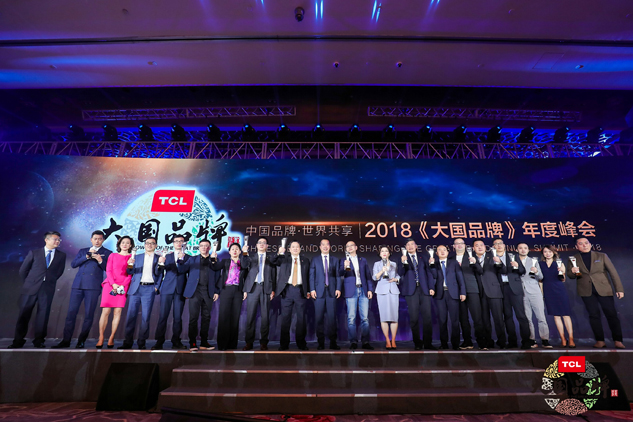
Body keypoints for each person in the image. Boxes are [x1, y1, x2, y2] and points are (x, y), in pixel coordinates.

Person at [53, 230, 112, 349]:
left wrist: (100, 259)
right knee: (71, 313)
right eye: (95, 238)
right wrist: (87, 256)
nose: (97, 241)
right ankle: (66, 340)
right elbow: (74, 264)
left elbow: (108, 268)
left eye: (100, 239)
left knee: (89, 315)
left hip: (93, 287)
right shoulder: (83, 251)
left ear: (103, 240)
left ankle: (81, 340)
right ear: (91, 239)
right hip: (78, 285)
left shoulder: (107, 252)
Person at [10, 231, 66, 349]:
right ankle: (18, 340)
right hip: (30, 288)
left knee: (43, 315)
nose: (57, 242)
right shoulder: (34, 253)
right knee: (24, 314)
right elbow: (23, 270)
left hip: (47, 288)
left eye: (59, 240)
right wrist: (30, 282)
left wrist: (49, 281)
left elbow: (59, 272)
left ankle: (39, 340)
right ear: (46, 240)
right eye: (55, 239)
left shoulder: (61, 255)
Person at [567, 236, 624, 349]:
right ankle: (600, 340)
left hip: (604, 289)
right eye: (581, 244)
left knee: (611, 314)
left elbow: (613, 273)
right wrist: (572, 272)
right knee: (593, 315)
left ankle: (618, 340)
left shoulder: (601, 256)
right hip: (586, 290)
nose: (584, 245)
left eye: (586, 243)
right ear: (576, 246)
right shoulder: (573, 258)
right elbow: (570, 275)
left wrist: (619, 289)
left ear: (590, 244)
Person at [119, 237, 163, 350]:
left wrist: (156, 287)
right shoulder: (137, 257)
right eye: (147, 243)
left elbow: (160, 274)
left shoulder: (159, 258)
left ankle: (141, 342)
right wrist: (130, 264)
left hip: (149, 289)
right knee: (131, 316)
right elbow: (130, 272)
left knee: (145, 317)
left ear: (156, 245)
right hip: (136, 288)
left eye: (152, 243)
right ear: (144, 244)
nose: (149, 245)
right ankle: (127, 342)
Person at [180, 239, 222, 351]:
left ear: (210, 247)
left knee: (206, 317)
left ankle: (204, 342)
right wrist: (180, 259)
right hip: (195, 291)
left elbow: (218, 276)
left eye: (206, 245)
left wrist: (216, 291)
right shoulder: (192, 259)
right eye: (201, 245)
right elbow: (181, 270)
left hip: (208, 291)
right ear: (199, 247)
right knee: (193, 318)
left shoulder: (214, 260)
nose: (204, 247)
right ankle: (192, 342)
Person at [491, 238, 531, 350]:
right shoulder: (491, 258)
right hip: (501, 289)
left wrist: (517, 266)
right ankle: (512, 341)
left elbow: (522, 271)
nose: (499, 245)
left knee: (521, 316)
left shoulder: (513, 256)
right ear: (493, 246)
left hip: (515, 288)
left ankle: (526, 341)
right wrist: (498, 263)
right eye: (496, 244)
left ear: (504, 245)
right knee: (507, 316)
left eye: (500, 243)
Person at [153, 235, 189, 350]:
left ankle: (176, 341)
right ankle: (159, 341)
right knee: (163, 316)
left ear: (184, 243)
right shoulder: (166, 256)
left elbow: (186, 272)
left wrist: (181, 260)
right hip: (167, 289)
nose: (178, 243)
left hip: (180, 290)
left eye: (181, 241)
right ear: (173, 243)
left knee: (178, 317)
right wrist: (160, 263)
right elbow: (158, 272)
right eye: (176, 241)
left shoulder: (188, 257)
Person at [96, 236, 134, 348]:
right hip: (110, 284)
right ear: (119, 244)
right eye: (123, 242)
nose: (125, 244)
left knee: (117, 312)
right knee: (105, 311)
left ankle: (112, 337)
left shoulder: (132, 257)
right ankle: (101, 337)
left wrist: (122, 286)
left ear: (131, 245)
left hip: (123, 286)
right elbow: (108, 270)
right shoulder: (113, 255)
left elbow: (130, 274)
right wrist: (113, 284)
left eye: (127, 243)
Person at [210, 242, 249, 351]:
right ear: (229, 252)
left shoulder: (243, 262)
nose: (235, 251)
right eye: (233, 249)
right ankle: (222, 344)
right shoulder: (225, 261)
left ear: (240, 251)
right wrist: (213, 258)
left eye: (237, 249)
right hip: (226, 290)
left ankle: (232, 344)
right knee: (224, 317)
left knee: (235, 317)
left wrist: (245, 254)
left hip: (238, 291)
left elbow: (246, 270)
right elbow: (214, 267)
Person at [396, 239, 434, 350]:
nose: (410, 246)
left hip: (424, 289)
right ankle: (417, 343)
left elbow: (429, 273)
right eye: (408, 245)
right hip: (410, 291)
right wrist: (403, 263)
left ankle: (428, 343)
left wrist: (431, 287)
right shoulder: (402, 258)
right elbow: (400, 273)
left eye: (412, 244)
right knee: (414, 318)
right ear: (405, 248)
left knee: (427, 318)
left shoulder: (423, 257)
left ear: (416, 246)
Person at [242, 236, 278, 351]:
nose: (262, 244)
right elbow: (243, 266)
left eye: (264, 243)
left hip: (266, 288)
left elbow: (274, 275)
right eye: (259, 242)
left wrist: (273, 289)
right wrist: (244, 253)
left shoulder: (271, 259)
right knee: (250, 317)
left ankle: (264, 342)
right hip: (253, 288)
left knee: (265, 317)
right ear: (256, 245)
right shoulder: (250, 257)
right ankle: (249, 342)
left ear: (267, 246)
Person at [275, 240, 311, 351]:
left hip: (300, 290)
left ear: (300, 249)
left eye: (297, 247)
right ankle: (284, 344)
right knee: (285, 318)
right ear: (289, 249)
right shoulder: (284, 259)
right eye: (293, 247)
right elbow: (273, 261)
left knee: (301, 319)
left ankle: (301, 343)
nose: (295, 248)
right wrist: (279, 253)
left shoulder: (305, 260)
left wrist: (308, 290)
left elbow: (308, 276)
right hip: (287, 290)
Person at [430, 245, 466, 350]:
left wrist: (463, 292)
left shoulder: (454, 263)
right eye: (439, 250)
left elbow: (460, 278)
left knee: (455, 320)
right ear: (436, 253)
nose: (442, 252)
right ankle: (444, 343)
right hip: (440, 294)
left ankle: (455, 344)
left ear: (448, 252)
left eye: (444, 250)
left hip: (453, 293)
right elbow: (433, 276)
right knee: (442, 320)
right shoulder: (434, 264)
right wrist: (432, 265)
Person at [453, 238, 486, 350]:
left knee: (477, 317)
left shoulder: (472, 256)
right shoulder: (451, 258)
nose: (459, 245)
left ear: (465, 245)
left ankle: (482, 342)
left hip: (472, 289)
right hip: (457, 291)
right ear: (454, 246)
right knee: (463, 319)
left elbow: (480, 271)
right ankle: (467, 342)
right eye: (457, 243)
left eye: (461, 243)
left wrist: (475, 263)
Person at [471, 239, 505, 349]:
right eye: (477, 245)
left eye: (481, 245)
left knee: (498, 318)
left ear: (485, 247)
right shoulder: (471, 259)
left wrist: (499, 262)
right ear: (473, 248)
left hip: (494, 291)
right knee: (485, 320)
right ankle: (488, 341)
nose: (479, 247)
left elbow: (504, 270)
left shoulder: (492, 256)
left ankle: (502, 342)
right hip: (480, 293)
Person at [309, 239, 342, 350]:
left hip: (331, 292)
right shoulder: (315, 260)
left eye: (327, 244)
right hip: (318, 292)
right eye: (323, 244)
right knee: (319, 319)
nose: (325, 246)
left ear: (330, 246)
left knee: (332, 319)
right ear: (320, 247)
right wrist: (312, 289)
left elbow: (338, 276)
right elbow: (312, 276)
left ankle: (333, 342)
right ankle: (321, 342)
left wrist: (338, 288)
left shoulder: (335, 260)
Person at [341, 240, 374, 350]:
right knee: (351, 318)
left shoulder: (362, 260)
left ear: (356, 247)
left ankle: (365, 342)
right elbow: (340, 273)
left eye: (352, 245)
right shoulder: (344, 260)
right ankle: (353, 341)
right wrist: (344, 266)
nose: (350, 247)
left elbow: (368, 276)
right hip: (351, 290)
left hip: (363, 290)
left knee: (365, 318)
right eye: (347, 246)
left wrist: (370, 289)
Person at [517, 243, 551, 348]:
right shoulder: (513, 261)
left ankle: (545, 339)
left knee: (541, 317)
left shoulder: (533, 261)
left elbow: (541, 276)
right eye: (520, 248)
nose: (523, 250)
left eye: (525, 248)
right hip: (520, 292)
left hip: (534, 291)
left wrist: (536, 272)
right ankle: (531, 339)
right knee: (527, 318)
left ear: (528, 250)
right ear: (517, 250)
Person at [540, 245, 574, 348]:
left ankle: (571, 338)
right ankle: (563, 338)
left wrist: (562, 271)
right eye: (545, 252)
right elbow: (540, 280)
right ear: (543, 253)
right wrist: (542, 293)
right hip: (548, 290)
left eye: (550, 251)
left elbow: (563, 279)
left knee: (566, 314)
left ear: (554, 252)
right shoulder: (540, 264)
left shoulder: (559, 263)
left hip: (559, 290)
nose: (548, 253)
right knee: (556, 315)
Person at [372, 246, 400, 350]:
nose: (384, 252)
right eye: (382, 251)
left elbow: (398, 275)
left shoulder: (394, 264)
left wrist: (396, 279)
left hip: (393, 290)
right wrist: (382, 271)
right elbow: (374, 277)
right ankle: (387, 340)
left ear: (389, 253)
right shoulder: (377, 264)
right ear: (379, 254)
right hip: (381, 291)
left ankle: (393, 340)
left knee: (394, 318)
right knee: (384, 317)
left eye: (386, 251)